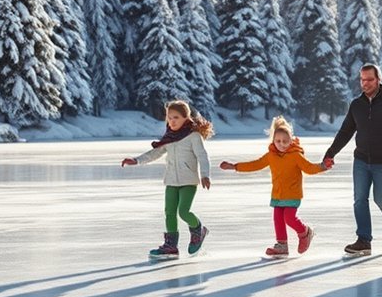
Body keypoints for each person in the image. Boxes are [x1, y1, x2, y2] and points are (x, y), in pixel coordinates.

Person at [323, 63, 382, 256]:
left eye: (369, 79)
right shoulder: (357, 105)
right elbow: (345, 131)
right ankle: (364, 240)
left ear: (378, 80)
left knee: (381, 198)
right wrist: (331, 152)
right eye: (362, 80)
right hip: (361, 160)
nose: (365, 83)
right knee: (360, 200)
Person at [219, 116, 327, 258]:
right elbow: (255, 164)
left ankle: (305, 232)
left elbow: (309, 168)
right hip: (277, 194)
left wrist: (323, 166)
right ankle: (282, 245)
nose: (281, 144)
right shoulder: (271, 156)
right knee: (278, 218)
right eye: (278, 141)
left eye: (285, 141)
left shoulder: (295, 155)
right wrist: (235, 166)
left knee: (289, 218)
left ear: (291, 140)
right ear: (273, 141)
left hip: (293, 194)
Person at [122, 100, 214, 260]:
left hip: (188, 181)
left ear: (186, 117)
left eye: (176, 117)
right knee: (169, 213)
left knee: (184, 212)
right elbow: (155, 153)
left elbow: (202, 156)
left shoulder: (193, 136)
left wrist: (205, 174)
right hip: (171, 180)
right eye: (169, 118)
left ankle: (198, 229)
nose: (172, 121)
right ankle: (171, 246)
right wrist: (136, 160)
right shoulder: (169, 137)